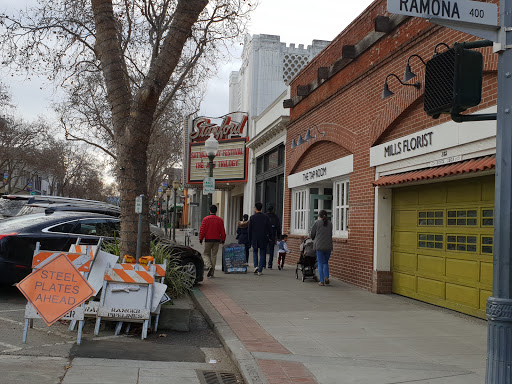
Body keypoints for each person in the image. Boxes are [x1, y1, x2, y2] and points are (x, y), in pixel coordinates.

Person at [199, 205, 226, 278]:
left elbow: (202, 230)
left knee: (206, 254)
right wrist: (223, 240)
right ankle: (212, 271)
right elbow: (223, 231)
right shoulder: (220, 220)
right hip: (217, 240)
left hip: (208, 240)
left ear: (209, 211)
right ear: (216, 211)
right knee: (214, 255)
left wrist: (201, 239)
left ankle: (209, 265)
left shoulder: (205, 219)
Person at [310, 209, 333, 286]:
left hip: (319, 246)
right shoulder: (330, 223)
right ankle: (327, 277)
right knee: (325, 262)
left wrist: (313, 238)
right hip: (328, 246)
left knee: (320, 263)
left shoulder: (317, 223)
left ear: (319, 216)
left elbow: (312, 234)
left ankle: (322, 281)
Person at [248, 202, 272, 276]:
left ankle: (256, 266)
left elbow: (249, 229)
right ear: (261, 208)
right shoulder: (266, 217)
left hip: (255, 237)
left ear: (255, 208)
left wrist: (249, 239)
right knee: (262, 253)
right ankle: (260, 270)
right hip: (263, 237)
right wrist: (270, 237)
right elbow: (269, 228)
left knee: (255, 252)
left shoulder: (252, 217)